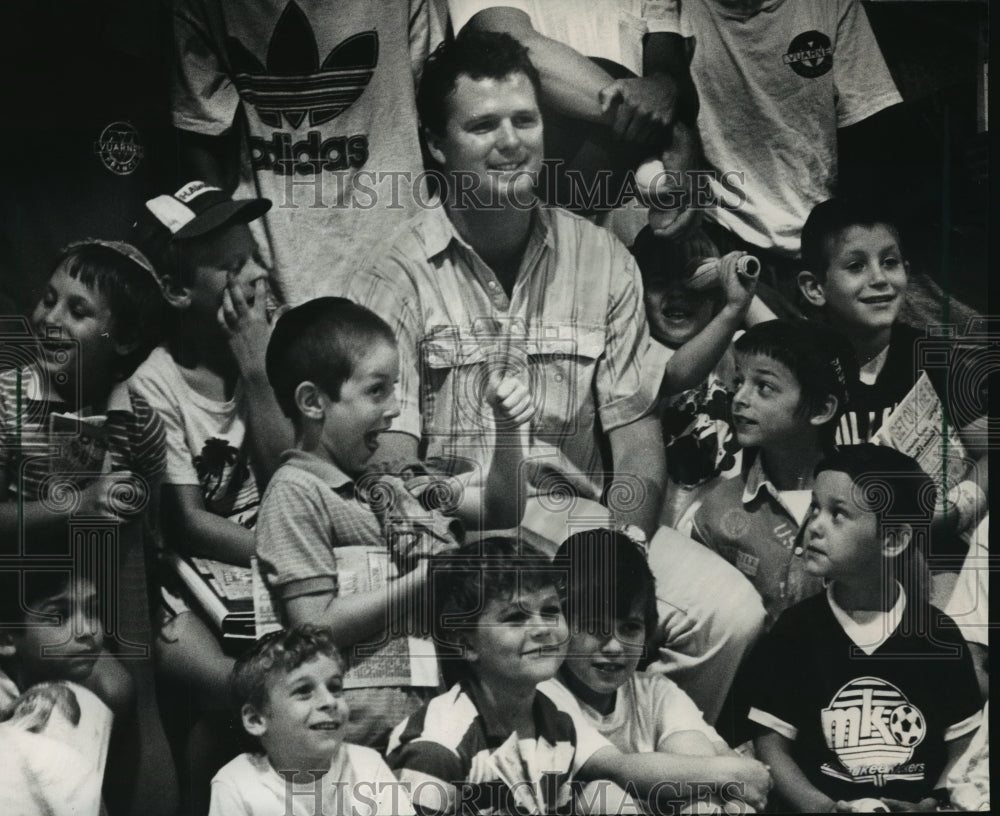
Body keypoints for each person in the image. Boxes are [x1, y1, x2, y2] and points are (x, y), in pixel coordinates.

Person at [347, 29, 668, 542]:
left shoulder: (604, 259)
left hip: (583, 526)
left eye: (524, 119)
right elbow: (389, 456)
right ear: (436, 143)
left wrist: (624, 551)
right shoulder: (394, 277)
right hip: (461, 531)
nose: (511, 141)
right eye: (482, 125)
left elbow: (637, 443)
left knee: (732, 615)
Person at [255, 296, 530, 748]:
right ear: (312, 401)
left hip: (426, 723)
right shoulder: (295, 491)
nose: (394, 409)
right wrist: (430, 577)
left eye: (395, 390)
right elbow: (313, 626)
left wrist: (507, 429)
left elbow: (502, 508)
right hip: (356, 739)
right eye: (376, 391)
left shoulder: (392, 485)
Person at [387, 538, 770, 814]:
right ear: (466, 644)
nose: (542, 629)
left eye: (551, 611)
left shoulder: (556, 728)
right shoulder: (438, 747)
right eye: (516, 617)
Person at [129, 181, 293, 811]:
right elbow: (192, 524)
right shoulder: (157, 382)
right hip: (192, 593)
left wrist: (256, 370)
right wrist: (283, 547)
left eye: (253, 254)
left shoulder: (271, 346)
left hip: (267, 567)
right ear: (175, 292)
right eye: (230, 266)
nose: (254, 273)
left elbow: (291, 478)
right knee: (234, 700)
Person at [0, 238, 178, 814]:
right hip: (9, 589)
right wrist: (74, 506)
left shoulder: (141, 427)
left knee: (126, 691)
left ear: (123, 339)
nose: (50, 319)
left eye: (78, 311)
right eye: (49, 299)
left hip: (82, 603)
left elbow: (146, 534)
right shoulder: (6, 399)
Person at [745, 445, 983, 811]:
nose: (814, 526)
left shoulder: (939, 635)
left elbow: (962, 746)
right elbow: (771, 745)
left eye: (838, 514)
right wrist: (821, 808)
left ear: (893, 540)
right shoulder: (794, 632)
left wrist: (929, 804)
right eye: (815, 508)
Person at [171, 0, 447, 304]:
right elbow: (199, 130)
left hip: (394, 255)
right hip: (272, 260)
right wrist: (240, 255)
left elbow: (438, 105)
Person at [797, 198, 987, 538]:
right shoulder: (804, 368)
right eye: (856, 266)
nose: (880, 279)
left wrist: (954, 511)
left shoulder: (934, 357)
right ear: (815, 288)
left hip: (936, 547)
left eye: (890, 262)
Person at [546, 529, 771, 812]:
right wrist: (735, 775)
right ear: (560, 626)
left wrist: (737, 798)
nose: (615, 646)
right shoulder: (544, 695)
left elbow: (722, 758)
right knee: (603, 796)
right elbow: (619, 769)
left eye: (630, 627)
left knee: (696, 752)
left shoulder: (653, 690)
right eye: (593, 626)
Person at [691, 319, 858, 625]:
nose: (740, 398)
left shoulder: (867, 505)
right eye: (739, 382)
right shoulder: (717, 511)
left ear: (822, 409)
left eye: (764, 387)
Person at [632, 227, 776, 527]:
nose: (678, 291)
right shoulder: (638, 349)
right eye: (659, 282)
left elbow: (796, 348)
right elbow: (677, 373)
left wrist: (738, 287)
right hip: (665, 524)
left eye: (695, 283)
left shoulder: (734, 345)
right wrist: (733, 309)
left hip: (730, 523)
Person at [209, 625, 413, 816]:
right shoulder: (236, 783)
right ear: (256, 719)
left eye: (334, 687)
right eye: (304, 690)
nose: (329, 701)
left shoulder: (367, 766)